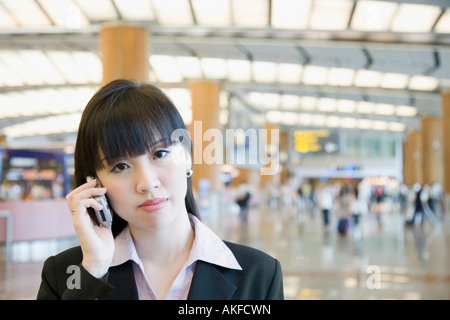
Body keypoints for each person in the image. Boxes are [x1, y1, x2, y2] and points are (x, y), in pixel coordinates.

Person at [36, 79, 283, 300]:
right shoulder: (67, 274)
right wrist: (93, 270)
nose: (147, 183)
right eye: (120, 166)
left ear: (187, 157)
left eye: (160, 153)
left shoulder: (258, 274)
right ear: (94, 183)